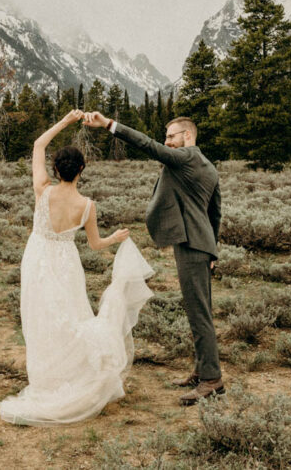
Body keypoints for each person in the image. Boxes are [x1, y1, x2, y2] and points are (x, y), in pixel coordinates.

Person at [0, 109, 155, 426]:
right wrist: (116, 237)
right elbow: (96, 245)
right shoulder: (87, 206)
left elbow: (38, 145)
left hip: (37, 258)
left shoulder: (43, 189)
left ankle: (47, 380)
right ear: (81, 169)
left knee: (40, 318)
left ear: (55, 168)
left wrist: (66, 122)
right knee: (72, 314)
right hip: (67, 262)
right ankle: (74, 373)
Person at [83, 112, 223, 405]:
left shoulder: (185, 157)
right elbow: (215, 213)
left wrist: (110, 124)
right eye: (167, 137)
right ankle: (202, 370)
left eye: (171, 136)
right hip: (200, 245)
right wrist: (214, 250)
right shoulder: (208, 166)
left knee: (199, 313)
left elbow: (146, 145)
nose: (166, 141)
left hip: (192, 245)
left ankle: (212, 380)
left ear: (187, 136)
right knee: (199, 309)